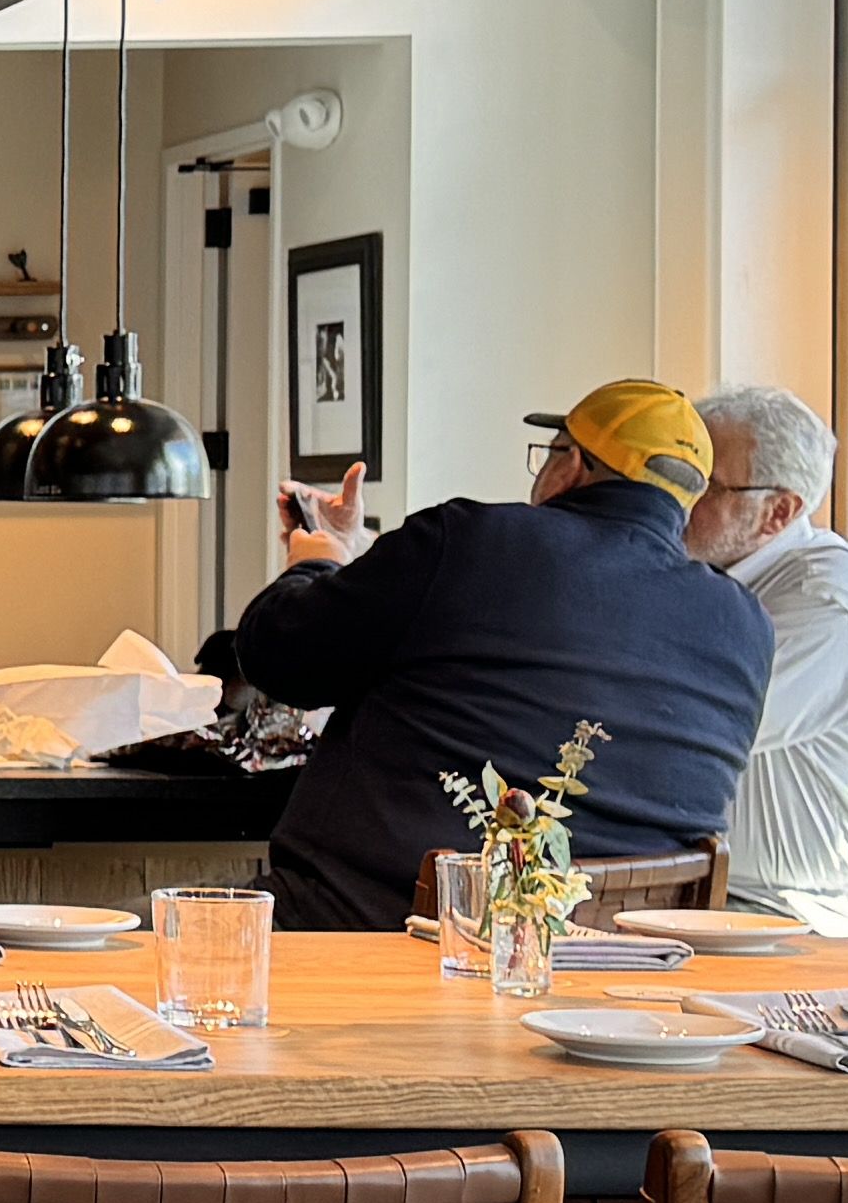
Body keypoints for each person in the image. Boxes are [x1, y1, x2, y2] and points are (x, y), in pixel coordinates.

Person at [209, 378, 774, 930]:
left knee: (125, 948)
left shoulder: (468, 539)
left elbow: (279, 658)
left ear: (571, 464)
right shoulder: (747, 624)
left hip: (361, 931)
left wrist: (314, 560)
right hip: (613, 979)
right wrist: (352, 559)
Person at [687, 379, 848, 936]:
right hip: (714, 897)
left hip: (810, 920)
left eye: (703, 484)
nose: (677, 497)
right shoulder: (708, 579)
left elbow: (704, 732)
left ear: (778, 511)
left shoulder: (829, 597)